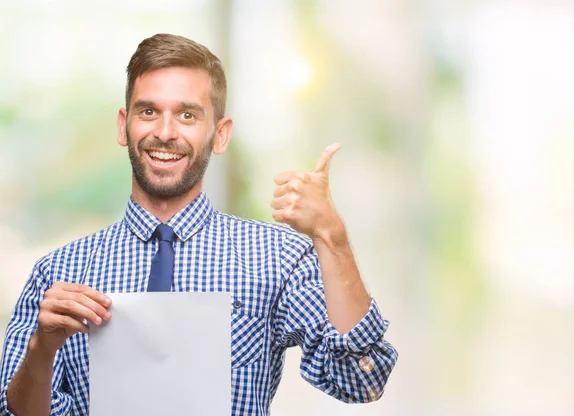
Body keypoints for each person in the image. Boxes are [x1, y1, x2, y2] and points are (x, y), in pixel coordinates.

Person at [0, 33, 398, 416]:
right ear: (124, 125)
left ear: (219, 135)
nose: (165, 132)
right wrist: (42, 348)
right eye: (148, 111)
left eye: (187, 115)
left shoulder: (278, 258)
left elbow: (361, 381)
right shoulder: (58, 273)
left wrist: (333, 238)